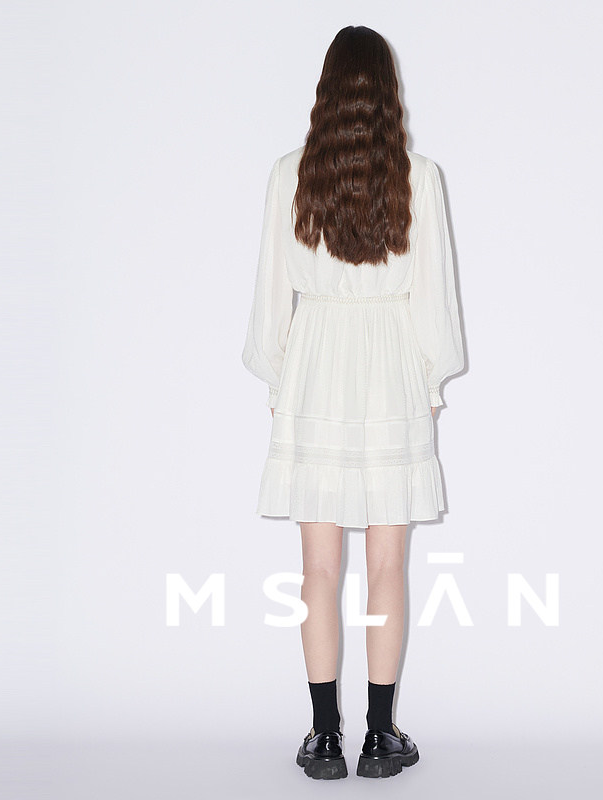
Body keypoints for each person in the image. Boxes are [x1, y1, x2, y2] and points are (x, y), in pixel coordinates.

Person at [242, 25, 464, 780]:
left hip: (315, 369)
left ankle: (323, 737)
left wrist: (282, 383)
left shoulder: (290, 175)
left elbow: (270, 304)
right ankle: (379, 736)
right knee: (389, 565)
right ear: (387, 94)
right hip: (392, 368)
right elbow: (435, 305)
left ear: (327, 91)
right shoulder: (418, 178)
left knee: (317, 569)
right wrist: (429, 386)